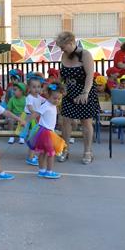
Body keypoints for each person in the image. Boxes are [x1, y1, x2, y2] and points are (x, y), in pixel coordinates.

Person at [55, 31, 100, 164]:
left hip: (84, 92)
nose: (61, 49)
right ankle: (65, 149)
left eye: (63, 46)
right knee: (65, 121)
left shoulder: (85, 54)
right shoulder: (64, 55)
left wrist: (85, 93)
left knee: (85, 122)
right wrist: (59, 88)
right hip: (69, 92)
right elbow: (62, 76)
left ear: (70, 43)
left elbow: (90, 76)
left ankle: (87, 151)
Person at [25, 84, 65, 179]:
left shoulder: (53, 105)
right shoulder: (46, 105)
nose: (57, 100)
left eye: (59, 99)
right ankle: (49, 171)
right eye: (54, 98)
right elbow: (36, 114)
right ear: (48, 96)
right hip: (45, 132)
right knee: (51, 153)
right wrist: (25, 121)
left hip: (47, 131)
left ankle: (41, 170)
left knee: (43, 152)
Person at [24, 77, 45, 165]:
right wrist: (36, 114)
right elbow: (30, 108)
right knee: (33, 138)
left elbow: (47, 102)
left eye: (38, 87)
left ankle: (32, 155)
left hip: (35, 118)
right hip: (30, 118)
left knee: (35, 138)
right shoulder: (29, 97)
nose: (36, 89)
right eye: (34, 87)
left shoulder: (39, 97)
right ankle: (30, 158)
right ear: (29, 88)